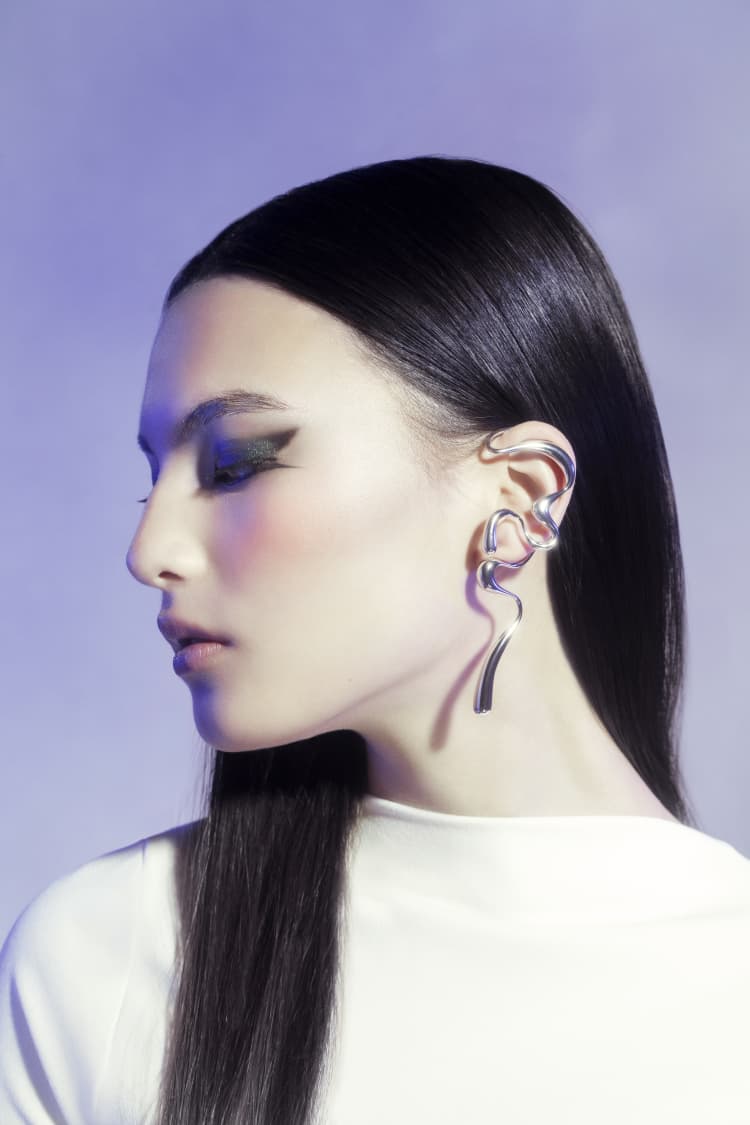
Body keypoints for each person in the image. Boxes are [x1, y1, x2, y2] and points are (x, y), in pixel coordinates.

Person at [1, 155, 749, 1124]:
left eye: (235, 463)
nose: (149, 552)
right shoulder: (105, 960)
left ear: (521, 496)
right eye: (155, 478)